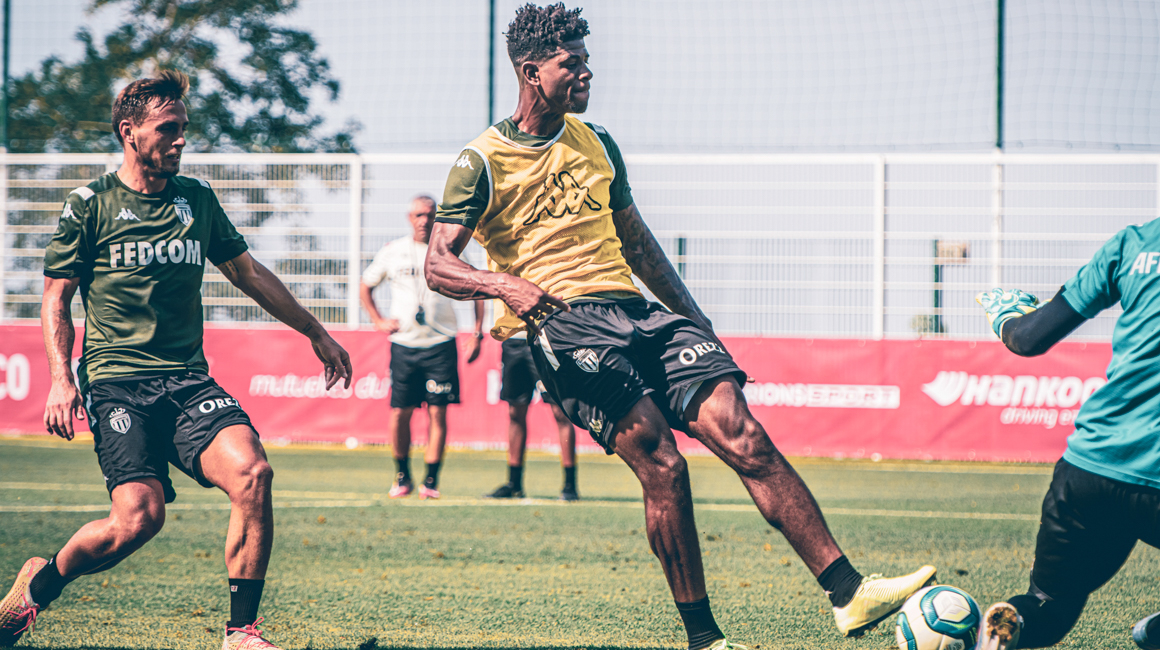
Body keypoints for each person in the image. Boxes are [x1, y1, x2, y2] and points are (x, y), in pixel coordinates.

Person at [425, 4, 936, 648]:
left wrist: (697, 320)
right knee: (663, 463)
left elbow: (638, 244)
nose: (587, 74)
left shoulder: (598, 143)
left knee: (743, 433)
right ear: (532, 73)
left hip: (637, 311)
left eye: (587, 61)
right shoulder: (482, 159)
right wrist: (505, 285)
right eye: (571, 64)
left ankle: (849, 592)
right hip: (563, 325)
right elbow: (438, 264)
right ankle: (705, 640)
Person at [0, 71, 352, 650]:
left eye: (184, 128)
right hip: (116, 381)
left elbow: (247, 272)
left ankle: (241, 633)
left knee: (253, 473)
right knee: (138, 519)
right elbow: (56, 298)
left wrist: (315, 330)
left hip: (187, 380)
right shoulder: (89, 205)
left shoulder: (198, 199)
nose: (181, 139)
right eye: (168, 128)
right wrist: (61, 380)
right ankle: (40, 586)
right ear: (129, 132)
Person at [971, 237, 1160, 649]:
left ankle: (1014, 621)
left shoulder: (1133, 244)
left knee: (1048, 607)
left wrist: (1007, 319)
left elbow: (1028, 338)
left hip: (1088, 468)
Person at [360, 195, 484, 500]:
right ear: (409, 218)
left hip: (441, 344)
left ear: (437, 217)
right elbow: (366, 285)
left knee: (437, 413)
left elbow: (478, 288)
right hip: (404, 344)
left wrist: (477, 332)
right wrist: (377, 320)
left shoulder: (450, 250)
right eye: (418, 215)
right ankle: (402, 475)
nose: (424, 221)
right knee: (400, 412)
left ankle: (431, 480)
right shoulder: (393, 251)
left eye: (430, 215)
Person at [484, 329, 579, 500]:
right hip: (512, 339)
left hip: (544, 337)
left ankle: (569, 485)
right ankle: (514, 484)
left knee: (560, 412)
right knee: (515, 412)